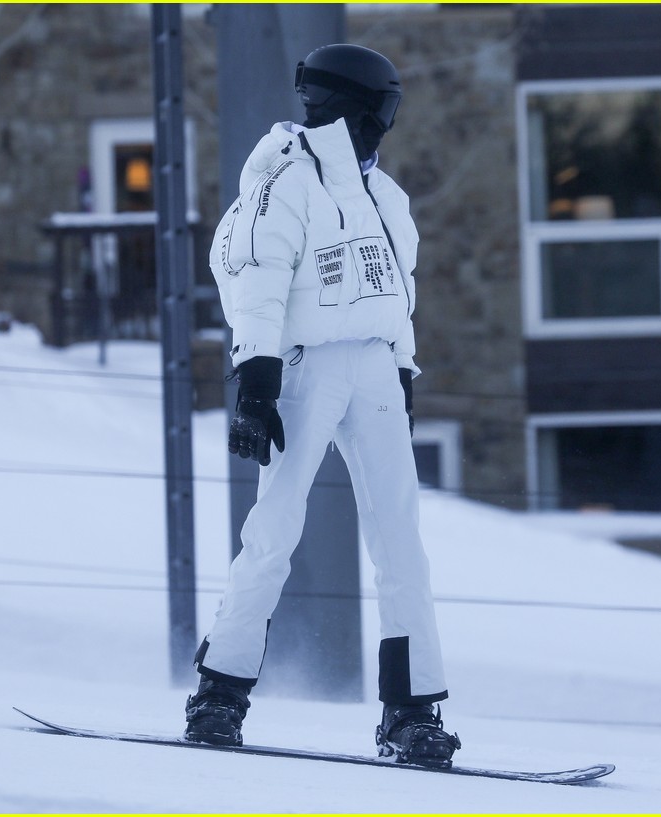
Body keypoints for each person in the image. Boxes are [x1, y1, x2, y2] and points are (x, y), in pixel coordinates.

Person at [186, 43, 460, 767]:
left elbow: (399, 292)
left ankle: (413, 710)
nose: (386, 127)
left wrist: (402, 372)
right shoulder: (287, 180)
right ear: (353, 106)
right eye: (384, 110)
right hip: (304, 365)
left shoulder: (386, 196)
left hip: (371, 363)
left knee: (402, 539)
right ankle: (220, 692)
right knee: (274, 529)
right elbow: (258, 278)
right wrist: (256, 381)